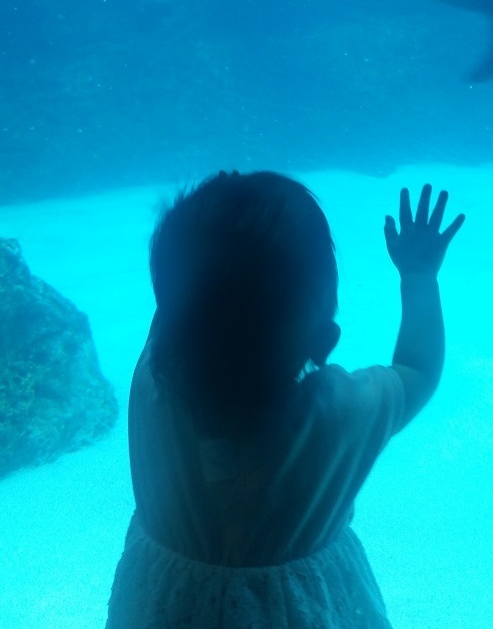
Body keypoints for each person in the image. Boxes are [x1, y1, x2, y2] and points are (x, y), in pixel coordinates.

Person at [106, 171, 464, 628]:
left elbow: (197, 300)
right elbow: (418, 370)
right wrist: (418, 278)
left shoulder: (151, 382)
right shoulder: (338, 417)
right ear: (326, 340)